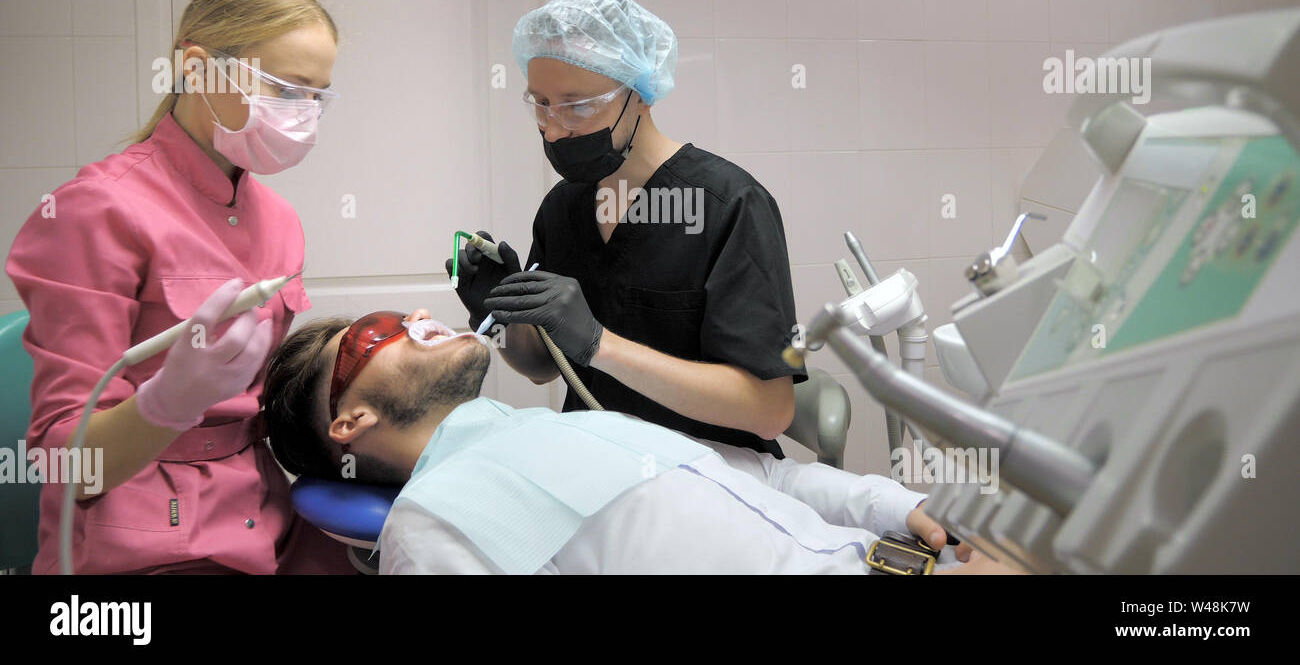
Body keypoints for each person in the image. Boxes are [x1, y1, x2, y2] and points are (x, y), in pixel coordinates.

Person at [5, 0, 354, 574]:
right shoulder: (97, 210)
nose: (302, 115)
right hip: (144, 534)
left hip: (265, 508)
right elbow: (67, 461)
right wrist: (168, 402)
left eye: (316, 96)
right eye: (285, 89)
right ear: (196, 67)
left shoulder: (279, 221)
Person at [260, 309, 1017, 575]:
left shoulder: (561, 426)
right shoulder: (436, 522)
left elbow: (771, 480)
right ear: (350, 423)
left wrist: (902, 504)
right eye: (377, 335)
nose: (418, 316)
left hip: (911, 554)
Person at [449, 0, 801, 458]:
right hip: (598, 469)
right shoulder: (564, 208)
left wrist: (600, 344)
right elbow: (542, 368)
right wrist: (493, 318)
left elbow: (769, 410)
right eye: (540, 103)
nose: (553, 129)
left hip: (714, 482)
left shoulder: (729, 205)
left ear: (639, 93)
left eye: (576, 105)